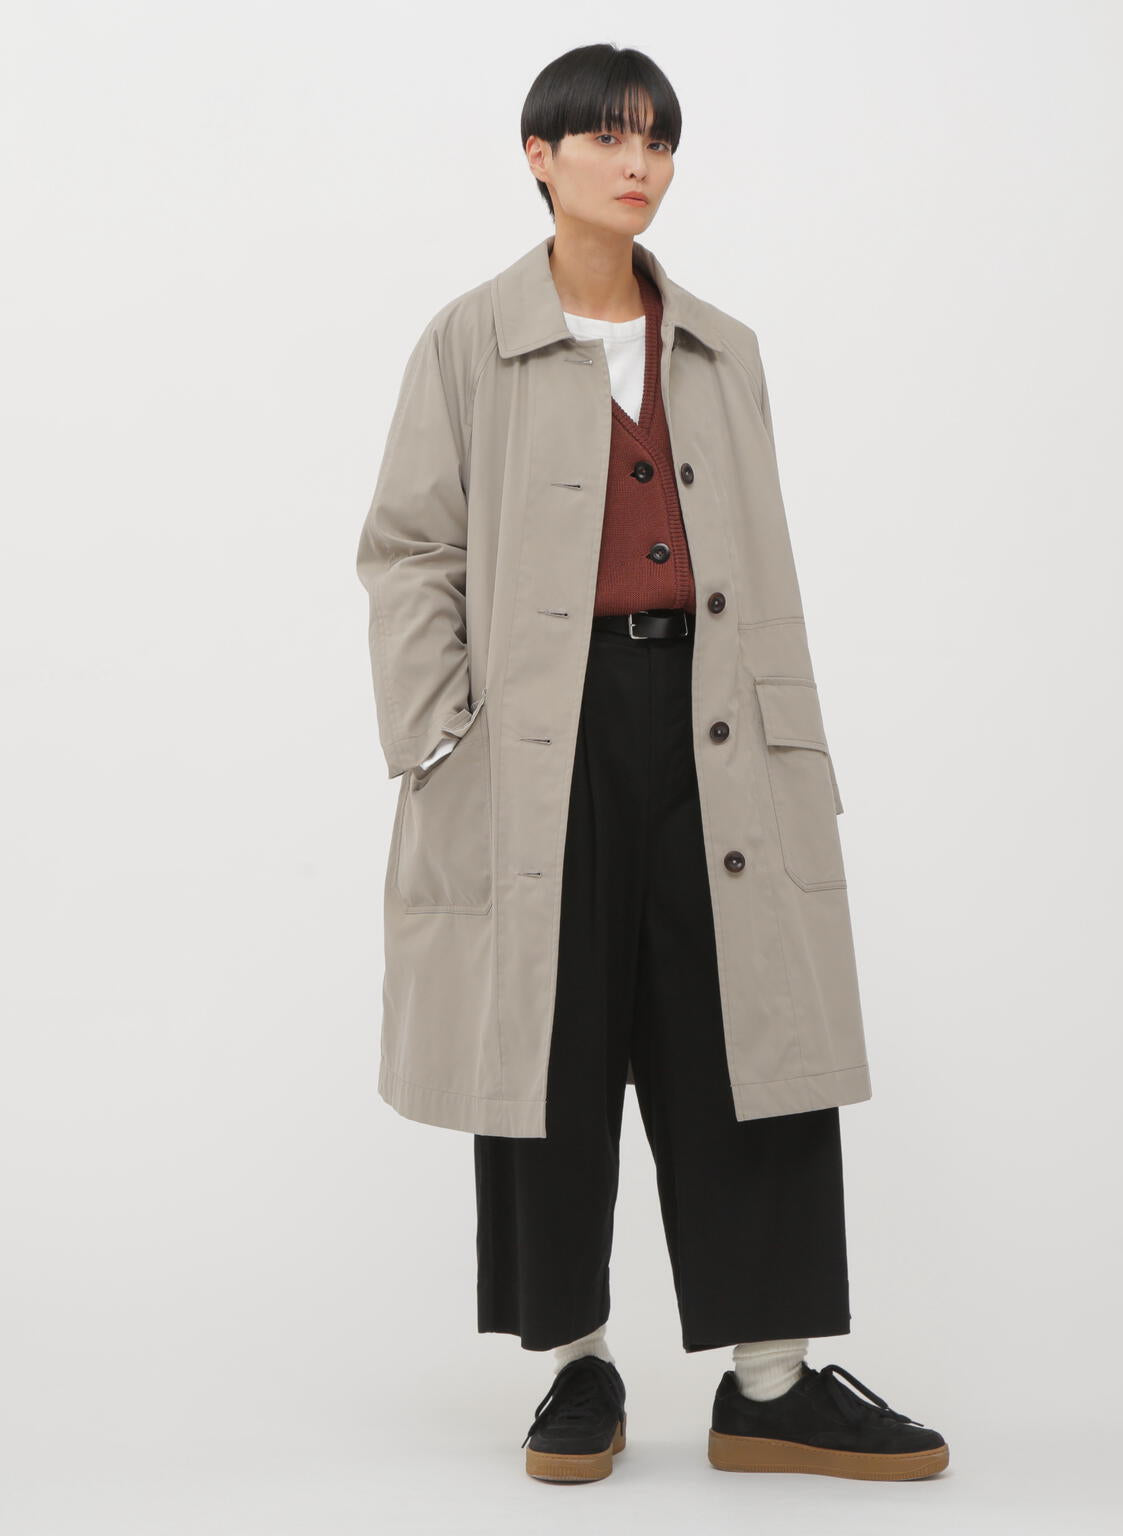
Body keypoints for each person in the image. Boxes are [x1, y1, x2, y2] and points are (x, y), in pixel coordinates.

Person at [355, 42, 949, 1485]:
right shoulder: (469, 341)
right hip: (534, 740)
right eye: (608, 137)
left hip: (715, 723)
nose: (638, 164)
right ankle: (576, 1368)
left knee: (749, 1029)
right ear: (539, 156)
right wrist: (439, 734)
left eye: (659, 140)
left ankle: (772, 1381)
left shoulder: (723, 350)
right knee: (545, 1041)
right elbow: (410, 549)